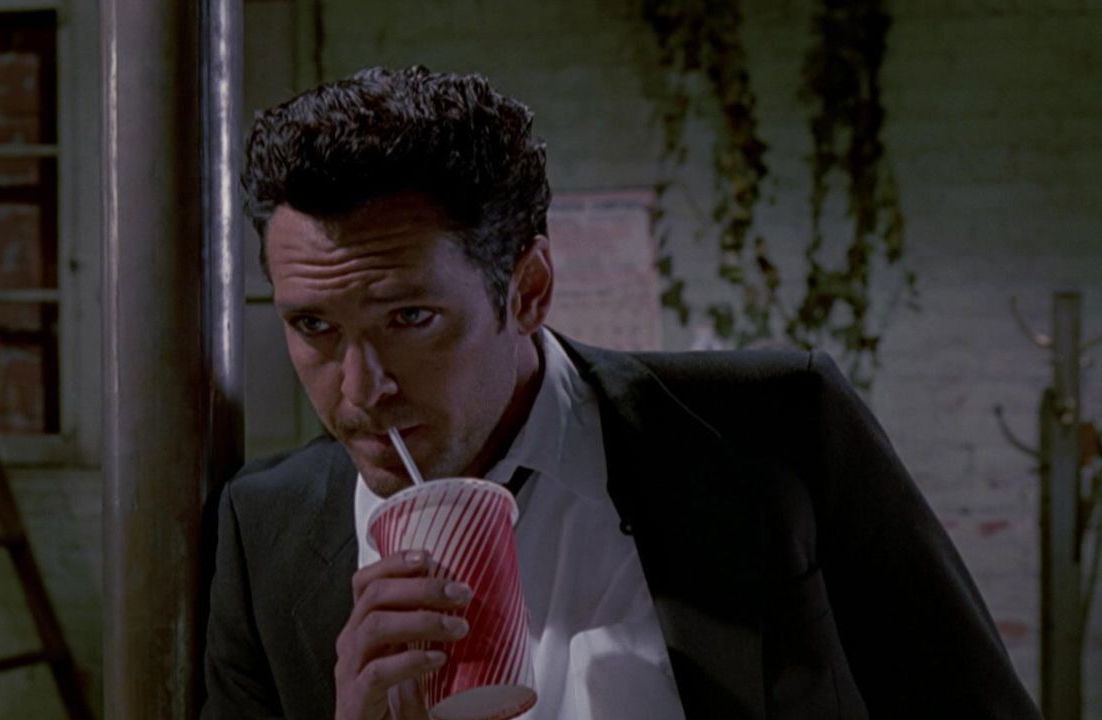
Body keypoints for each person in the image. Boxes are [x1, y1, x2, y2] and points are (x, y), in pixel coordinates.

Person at [200, 66, 1038, 720]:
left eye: (410, 318)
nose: (360, 390)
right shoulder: (265, 531)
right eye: (314, 326)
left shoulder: (780, 428)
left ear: (529, 290)